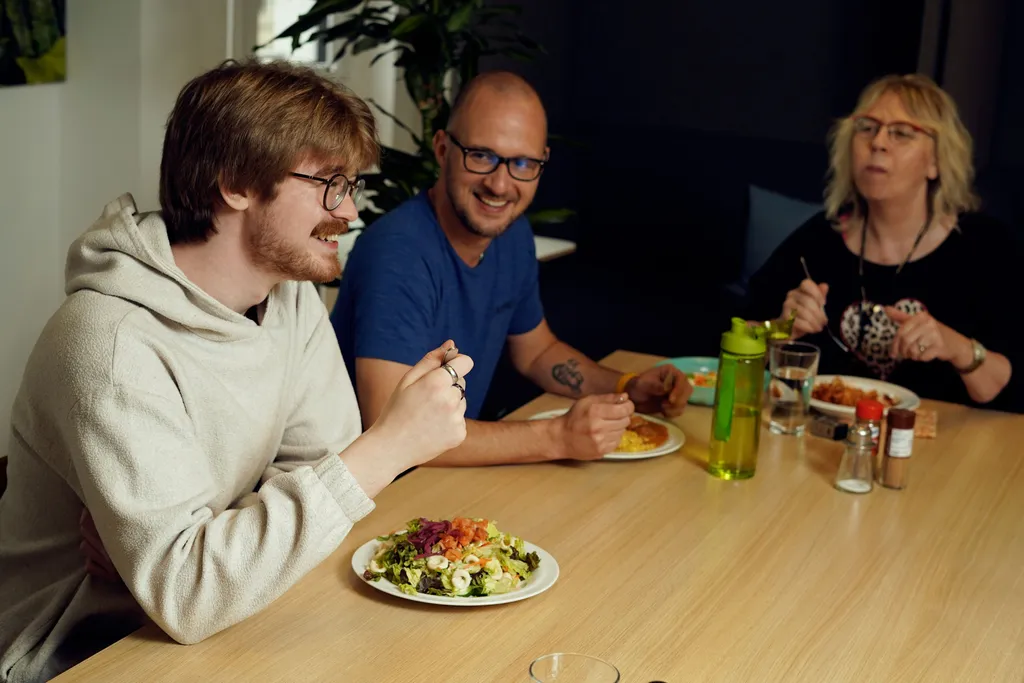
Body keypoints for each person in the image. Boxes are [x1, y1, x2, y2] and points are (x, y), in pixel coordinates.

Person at [0, 59, 474, 682]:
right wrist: (388, 447)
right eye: (330, 183)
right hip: (84, 654)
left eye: (351, 185)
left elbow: (316, 475)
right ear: (236, 184)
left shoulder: (289, 295)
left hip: (226, 618)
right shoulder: (109, 345)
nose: (348, 211)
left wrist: (186, 556)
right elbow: (192, 596)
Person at [330, 71, 693, 466]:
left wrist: (628, 387)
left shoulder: (512, 233)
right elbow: (392, 426)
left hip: (442, 478)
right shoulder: (397, 252)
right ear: (441, 149)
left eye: (522, 162)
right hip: (377, 496)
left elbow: (537, 353)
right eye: (482, 155)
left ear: (542, 164)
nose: (500, 185)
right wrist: (556, 437)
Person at [746, 74, 1020, 411]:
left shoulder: (985, 247)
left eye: (901, 133)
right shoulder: (817, 240)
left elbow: (1003, 386)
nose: (877, 143)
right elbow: (738, 343)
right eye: (867, 127)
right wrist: (779, 331)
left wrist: (958, 348)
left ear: (936, 161)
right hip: (827, 441)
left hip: (946, 447)